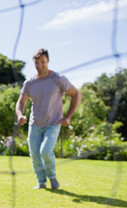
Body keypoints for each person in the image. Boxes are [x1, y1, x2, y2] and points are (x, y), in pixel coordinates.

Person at [16, 48, 82, 189]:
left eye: (43, 62)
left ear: (48, 61)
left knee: (45, 151)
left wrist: (68, 117)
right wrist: (20, 115)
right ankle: (41, 182)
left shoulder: (58, 79)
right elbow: (21, 102)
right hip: (34, 124)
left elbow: (76, 94)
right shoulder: (29, 83)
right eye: (37, 63)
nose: (40, 65)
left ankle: (52, 177)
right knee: (34, 155)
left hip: (53, 122)